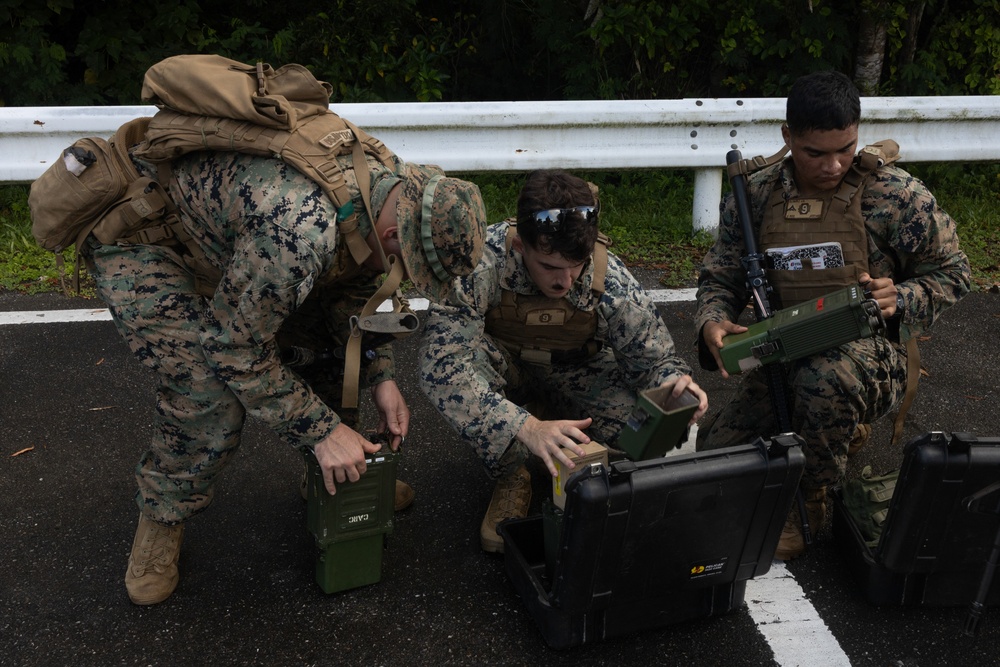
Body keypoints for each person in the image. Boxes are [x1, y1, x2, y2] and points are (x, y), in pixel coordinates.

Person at [85, 131, 487, 604]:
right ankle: (162, 516)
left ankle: (333, 473)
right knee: (207, 392)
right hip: (146, 236)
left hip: (242, 240)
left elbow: (357, 287)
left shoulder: (401, 191)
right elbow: (234, 350)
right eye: (407, 263)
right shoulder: (297, 232)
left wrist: (381, 374)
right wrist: (321, 432)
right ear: (394, 234)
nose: (404, 270)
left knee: (339, 349)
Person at [694, 70, 971, 560]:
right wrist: (713, 320)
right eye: (814, 153)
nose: (832, 165)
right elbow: (721, 277)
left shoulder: (894, 195)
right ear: (788, 137)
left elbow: (954, 272)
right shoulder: (755, 195)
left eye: (845, 148)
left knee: (826, 380)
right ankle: (837, 431)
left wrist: (901, 298)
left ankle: (811, 504)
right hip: (783, 350)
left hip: (865, 357)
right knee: (716, 459)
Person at [419, 169, 708, 553]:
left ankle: (552, 420)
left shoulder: (610, 276)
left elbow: (653, 360)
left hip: (579, 371)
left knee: (643, 438)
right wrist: (524, 426)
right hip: (507, 372)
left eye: (577, 266)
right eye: (551, 267)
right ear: (521, 246)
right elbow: (440, 365)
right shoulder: (479, 262)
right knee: (461, 366)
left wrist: (676, 386)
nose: (565, 281)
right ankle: (512, 471)